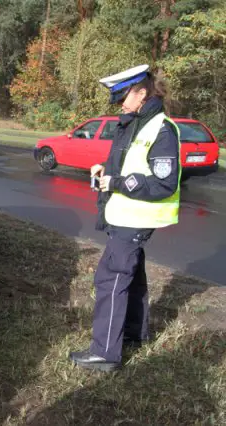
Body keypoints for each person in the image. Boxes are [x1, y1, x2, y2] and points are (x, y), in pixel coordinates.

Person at [69, 64, 182, 372]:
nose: (119, 104)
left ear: (141, 93)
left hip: (136, 217)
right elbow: (129, 162)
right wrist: (105, 170)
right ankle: (133, 332)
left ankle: (104, 353)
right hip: (126, 215)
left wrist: (116, 183)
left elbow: (163, 184)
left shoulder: (161, 129)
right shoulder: (135, 122)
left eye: (122, 97)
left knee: (111, 278)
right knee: (131, 274)